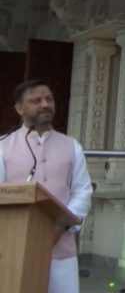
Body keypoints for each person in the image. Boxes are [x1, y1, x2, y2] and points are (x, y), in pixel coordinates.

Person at [0, 79, 92, 293]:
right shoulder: (3, 146)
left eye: (48, 99)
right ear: (19, 108)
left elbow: (82, 191)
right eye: (36, 100)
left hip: (60, 247)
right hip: (12, 247)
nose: (45, 104)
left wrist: (59, 227)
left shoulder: (72, 146)